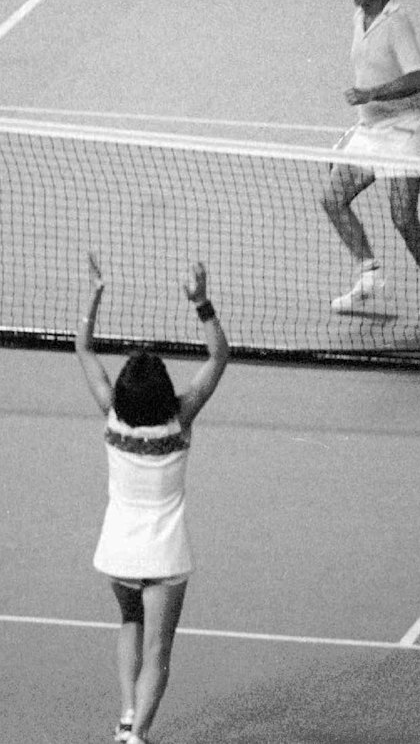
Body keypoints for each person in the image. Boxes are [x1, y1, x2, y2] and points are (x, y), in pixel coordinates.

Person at [75, 254, 229, 744]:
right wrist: (201, 302)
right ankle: (137, 735)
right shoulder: (181, 419)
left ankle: (126, 716)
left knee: (129, 622)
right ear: (164, 390)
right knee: (160, 650)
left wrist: (95, 295)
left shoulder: (111, 417)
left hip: (118, 551)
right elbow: (218, 358)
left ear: (122, 393)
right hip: (163, 555)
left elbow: (83, 350)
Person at [322, 0, 420, 318]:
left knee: (403, 217)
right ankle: (369, 275)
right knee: (332, 198)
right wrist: (363, 116)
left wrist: (371, 93)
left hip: (406, 131)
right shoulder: (359, 18)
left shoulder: (396, 22)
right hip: (370, 130)